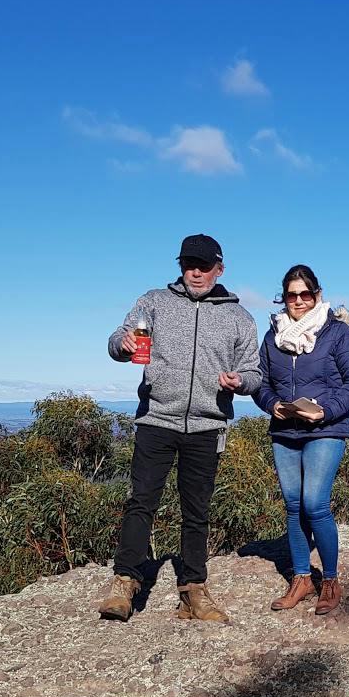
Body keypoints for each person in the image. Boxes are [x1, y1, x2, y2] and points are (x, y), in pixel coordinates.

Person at [98, 234, 261, 623]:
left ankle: (193, 592)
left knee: (197, 511)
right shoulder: (153, 301)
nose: (196, 272)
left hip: (207, 425)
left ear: (220, 269)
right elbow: (118, 342)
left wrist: (242, 381)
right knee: (141, 502)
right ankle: (125, 584)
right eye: (189, 264)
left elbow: (255, 373)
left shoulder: (239, 317)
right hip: (156, 419)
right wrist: (121, 344)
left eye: (204, 266)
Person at [252, 264, 349, 615]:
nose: (299, 301)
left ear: (317, 295)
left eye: (305, 294)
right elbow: (260, 381)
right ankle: (302, 578)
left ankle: (330, 580)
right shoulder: (273, 336)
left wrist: (326, 410)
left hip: (324, 429)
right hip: (285, 430)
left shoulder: (338, 334)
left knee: (314, 503)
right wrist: (272, 405)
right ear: (284, 298)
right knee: (292, 505)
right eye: (292, 295)